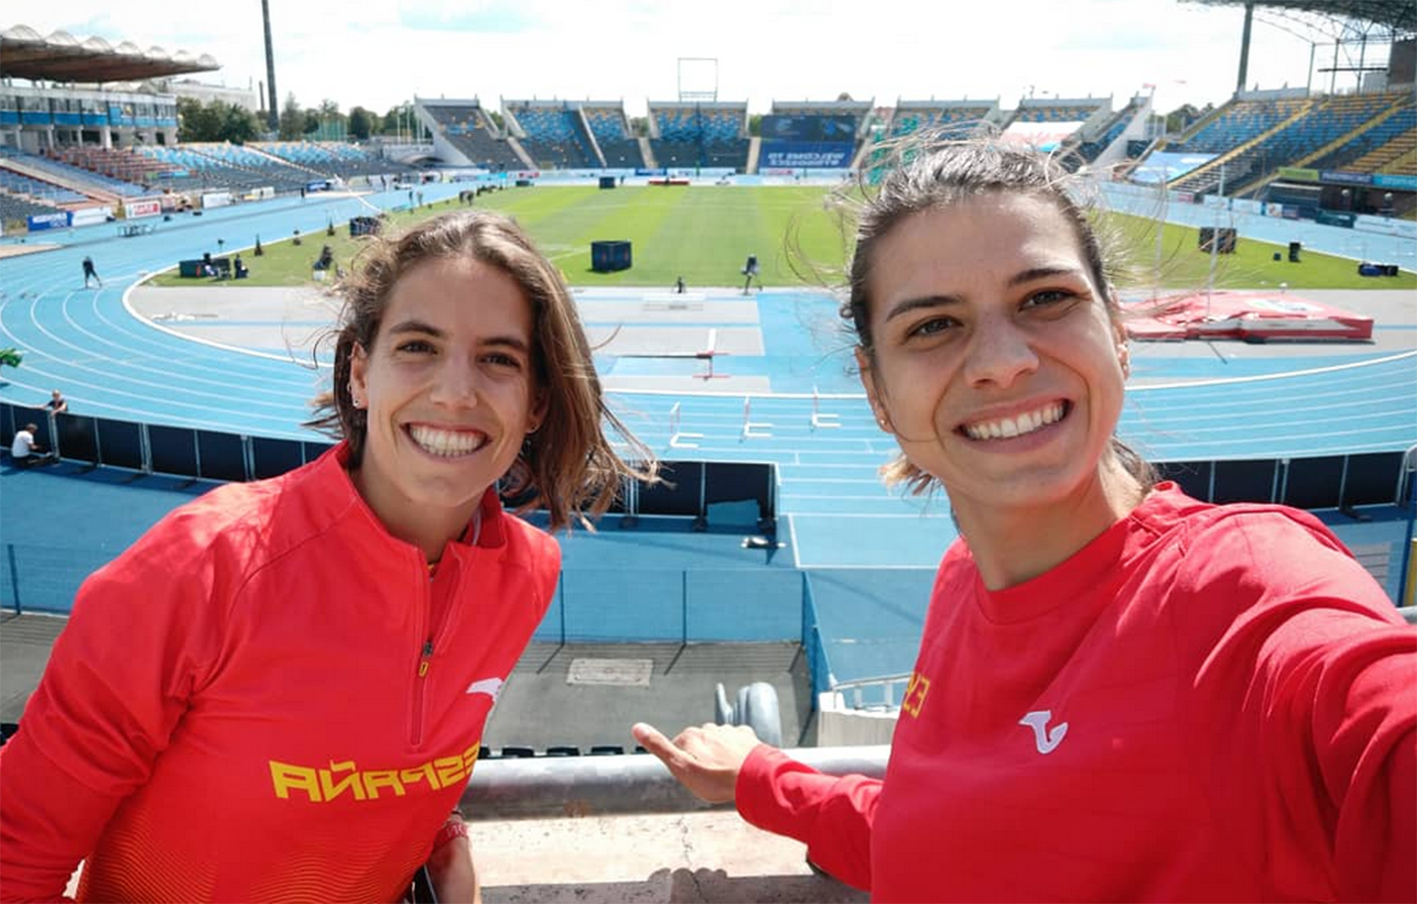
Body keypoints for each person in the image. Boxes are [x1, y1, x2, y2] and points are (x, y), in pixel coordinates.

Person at [633, 140, 1417, 902]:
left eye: (1044, 299)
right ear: (876, 392)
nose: (1001, 361)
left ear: (1114, 330)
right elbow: (955, 842)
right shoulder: (960, 584)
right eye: (932, 326)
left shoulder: (1247, 591)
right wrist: (763, 779)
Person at [0, 210, 655, 903]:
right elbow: (15, 859)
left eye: (498, 359)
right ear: (360, 374)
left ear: (536, 406)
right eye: (418, 346)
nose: (456, 391)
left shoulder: (526, 573)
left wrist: (439, 834)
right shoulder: (199, 570)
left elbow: (398, 750)